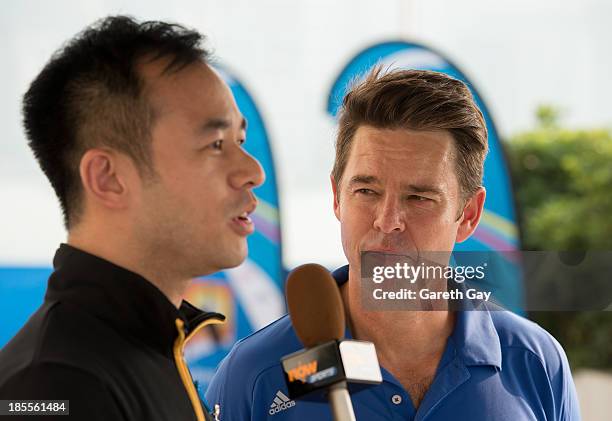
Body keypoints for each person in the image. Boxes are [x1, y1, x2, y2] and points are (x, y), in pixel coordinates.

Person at [205, 68, 581, 420]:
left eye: (419, 198)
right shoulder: (256, 374)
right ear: (337, 198)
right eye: (366, 190)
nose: (387, 221)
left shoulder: (535, 363)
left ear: (468, 214)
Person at [0, 15, 264, 421]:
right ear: (108, 178)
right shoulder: (52, 385)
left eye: (240, 141)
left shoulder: (155, 343)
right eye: (215, 144)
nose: (252, 171)